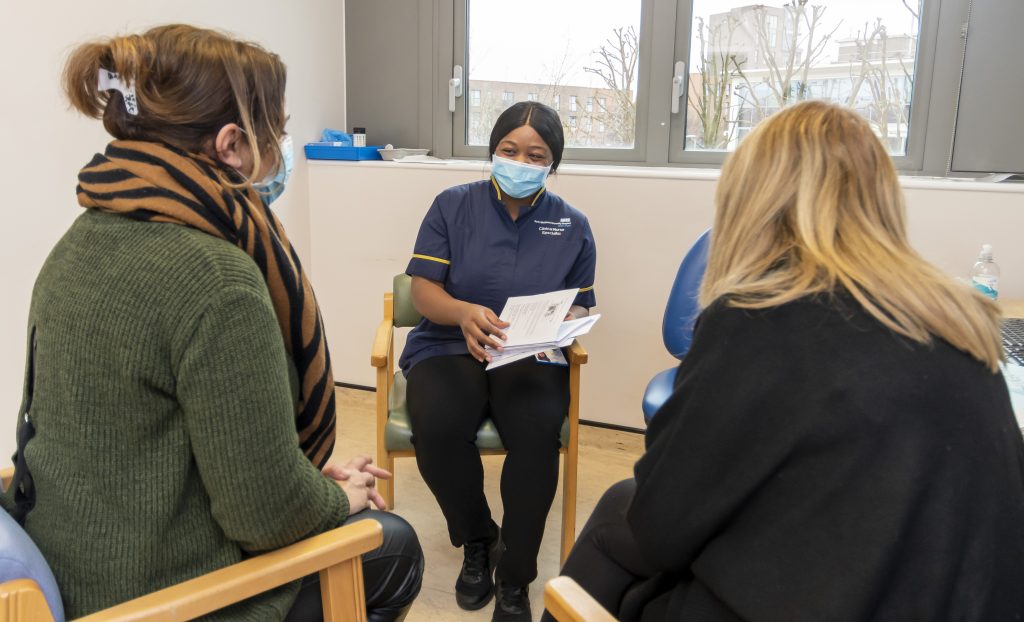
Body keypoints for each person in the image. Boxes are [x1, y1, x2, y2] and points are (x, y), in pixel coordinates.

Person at [0, 25, 422, 621]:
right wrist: (333, 499)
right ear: (231, 145)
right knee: (392, 543)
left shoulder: (81, 239)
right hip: (155, 596)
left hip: (77, 561)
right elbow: (264, 516)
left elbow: (145, 434)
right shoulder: (217, 279)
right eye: (275, 131)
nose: (280, 150)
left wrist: (289, 466)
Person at [545, 100, 1024, 621]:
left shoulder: (761, 315)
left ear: (749, 202)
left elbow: (659, 525)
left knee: (624, 509)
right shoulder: (962, 320)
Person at [400, 101, 596, 621]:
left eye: (536, 154)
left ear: (552, 164)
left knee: (535, 438)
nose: (520, 161)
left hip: (529, 353)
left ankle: (516, 576)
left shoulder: (573, 225)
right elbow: (423, 290)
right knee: (438, 427)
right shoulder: (452, 205)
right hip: (449, 343)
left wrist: (562, 318)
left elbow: (581, 300)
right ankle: (478, 540)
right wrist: (463, 314)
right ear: (493, 151)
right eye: (509, 150)